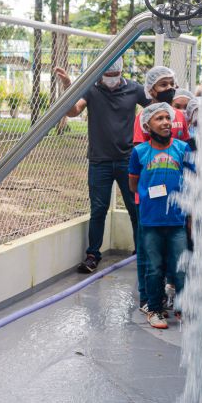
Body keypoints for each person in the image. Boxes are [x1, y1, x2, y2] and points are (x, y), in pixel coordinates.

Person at [55, 59, 151, 273]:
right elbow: (73, 111)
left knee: (135, 207)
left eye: (115, 74)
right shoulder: (91, 89)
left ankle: (141, 252)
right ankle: (92, 255)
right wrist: (68, 86)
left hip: (128, 159)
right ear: (100, 73)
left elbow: (155, 108)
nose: (111, 79)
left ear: (121, 71)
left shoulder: (134, 89)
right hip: (100, 161)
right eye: (107, 75)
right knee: (98, 209)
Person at [128, 103, 194, 329]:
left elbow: (191, 181)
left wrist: (190, 215)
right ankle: (155, 309)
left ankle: (183, 309)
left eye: (168, 117)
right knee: (153, 268)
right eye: (159, 118)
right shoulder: (139, 152)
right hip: (151, 220)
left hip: (177, 220)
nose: (166, 122)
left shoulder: (182, 148)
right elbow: (133, 184)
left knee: (180, 268)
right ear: (147, 126)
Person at [133, 66, 189, 313]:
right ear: (151, 89)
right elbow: (138, 166)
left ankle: (175, 298)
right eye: (163, 84)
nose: (169, 88)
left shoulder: (180, 120)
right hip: (150, 202)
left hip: (175, 204)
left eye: (171, 83)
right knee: (148, 255)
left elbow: (185, 156)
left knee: (177, 255)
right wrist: (145, 191)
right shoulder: (142, 120)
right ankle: (148, 299)